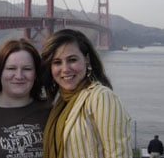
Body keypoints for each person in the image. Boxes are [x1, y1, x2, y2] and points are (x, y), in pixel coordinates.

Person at [40, 29, 132, 158]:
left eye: (72, 60)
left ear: (86, 60)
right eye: (57, 62)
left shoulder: (101, 97)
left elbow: (119, 154)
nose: (65, 69)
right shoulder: (59, 102)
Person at [0, 38, 51, 158]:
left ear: (36, 74)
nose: (19, 76)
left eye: (27, 69)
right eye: (11, 68)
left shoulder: (49, 112)